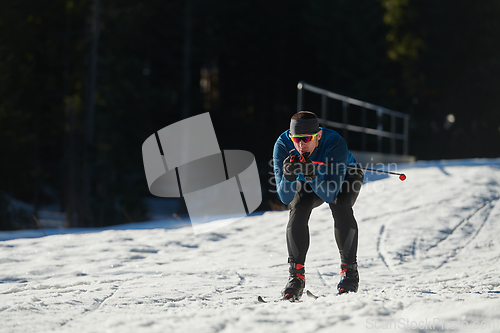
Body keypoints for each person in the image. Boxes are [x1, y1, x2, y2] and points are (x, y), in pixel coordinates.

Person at [273, 111, 364, 300]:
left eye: (306, 139)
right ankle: (295, 277)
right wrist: (289, 177)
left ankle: (349, 273)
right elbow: (284, 197)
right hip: (308, 181)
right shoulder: (282, 145)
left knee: (340, 205)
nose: (300, 145)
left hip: (345, 177)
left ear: (318, 136)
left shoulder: (335, 143)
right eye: (296, 139)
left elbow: (330, 195)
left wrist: (312, 175)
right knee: (297, 209)